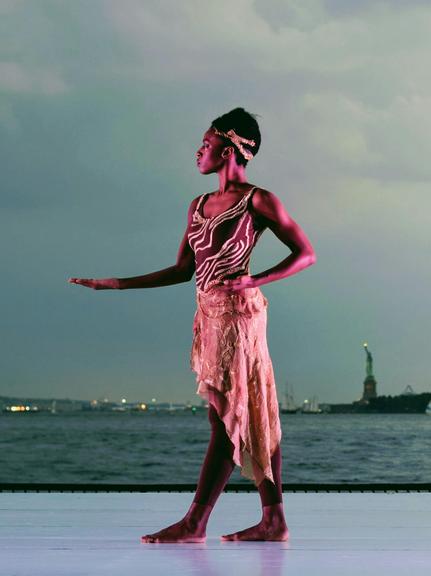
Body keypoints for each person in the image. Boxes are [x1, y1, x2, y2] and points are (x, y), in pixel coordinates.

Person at [70, 108, 316, 541]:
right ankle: (270, 520)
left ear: (233, 145)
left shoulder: (258, 199)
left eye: (206, 141)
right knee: (239, 414)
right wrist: (115, 284)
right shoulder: (198, 205)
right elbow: (183, 269)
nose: (199, 149)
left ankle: (196, 523)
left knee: (234, 414)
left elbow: (305, 253)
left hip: (240, 318)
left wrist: (254, 278)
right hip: (208, 317)